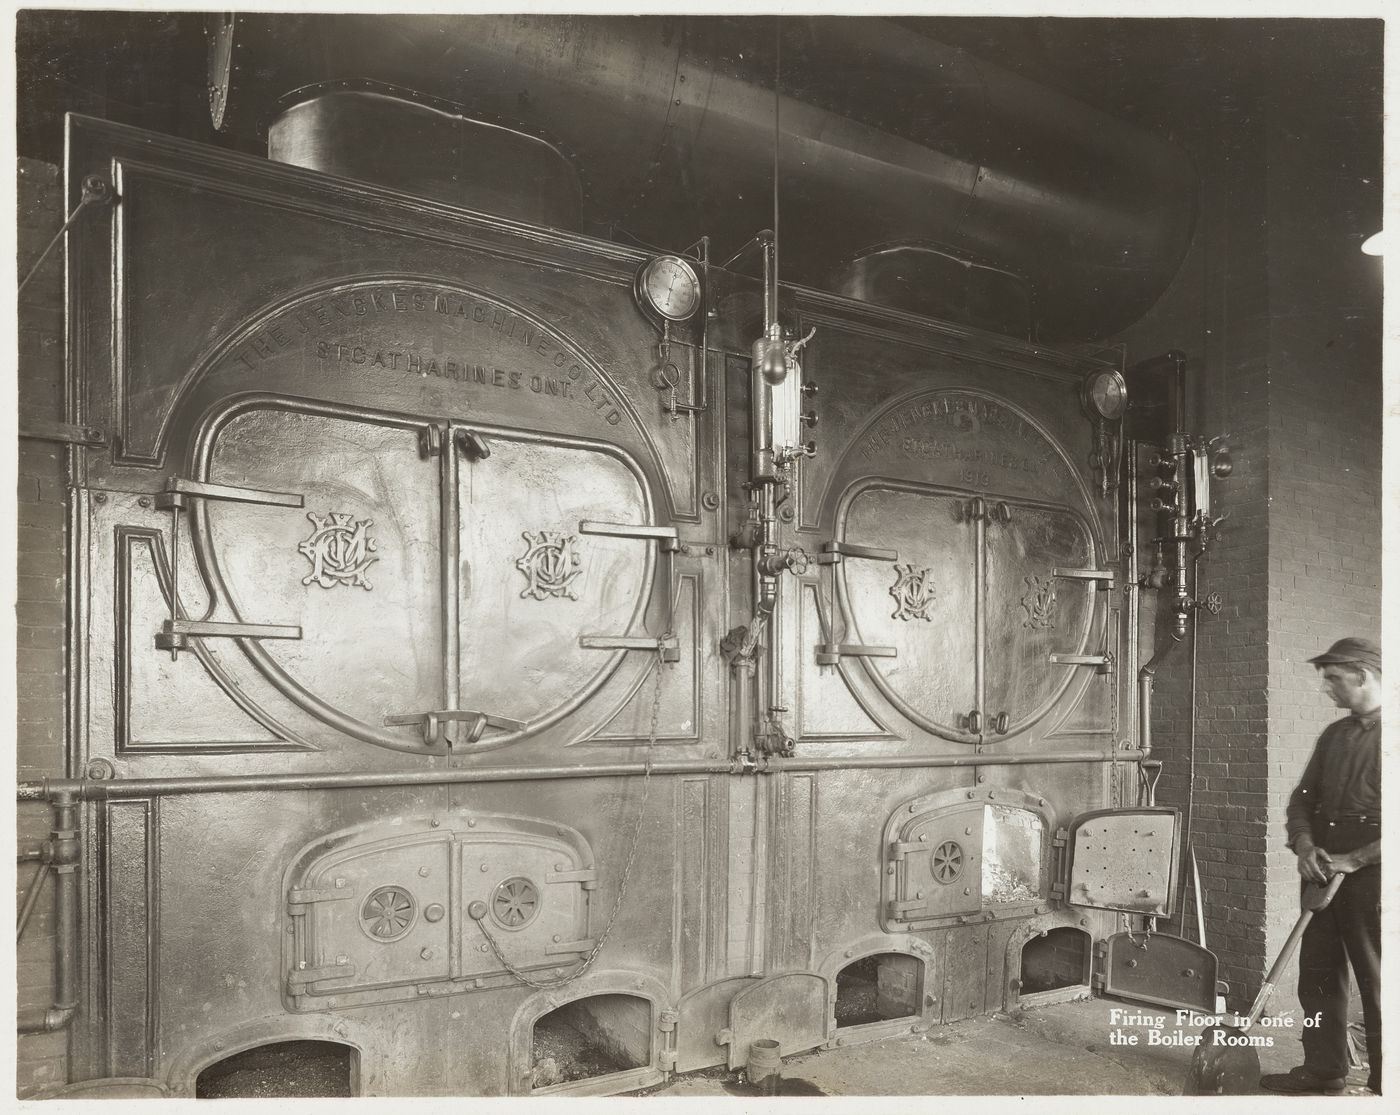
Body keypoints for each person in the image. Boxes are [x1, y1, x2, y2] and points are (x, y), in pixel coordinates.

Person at [1260, 636, 1381, 1096]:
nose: (1327, 688)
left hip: (1376, 873)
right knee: (1318, 973)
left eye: (1333, 678)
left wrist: (1357, 858)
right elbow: (1302, 799)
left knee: (1379, 978)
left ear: (1363, 675)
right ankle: (1323, 1070)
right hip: (1323, 865)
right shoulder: (1335, 735)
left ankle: (1387, 1083)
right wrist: (1306, 844)